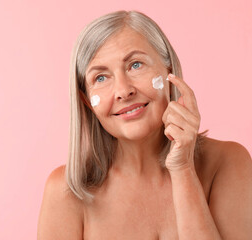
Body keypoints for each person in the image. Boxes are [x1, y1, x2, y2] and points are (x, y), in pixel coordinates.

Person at [37, 10, 252, 239]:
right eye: (101, 78)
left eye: (136, 65)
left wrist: (183, 169)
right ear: (87, 102)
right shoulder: (65, 192)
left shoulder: (228, 162)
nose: (123, 91)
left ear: (168, 70)